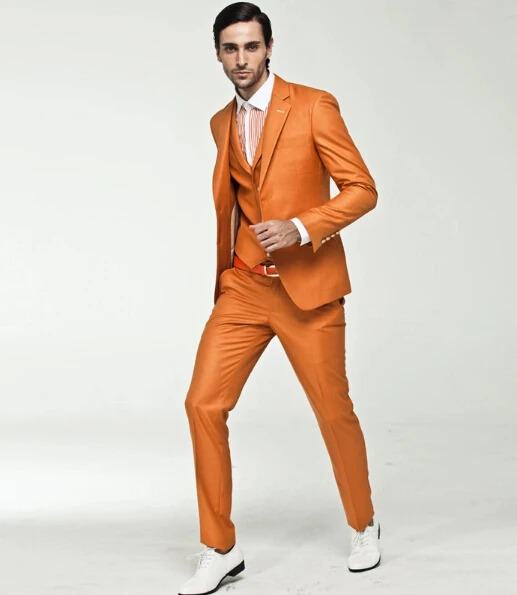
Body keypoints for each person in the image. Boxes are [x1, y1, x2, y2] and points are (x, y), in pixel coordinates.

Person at [179, 3, 381, 593]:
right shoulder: (220, 122)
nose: (241, 59)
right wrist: (227, 275)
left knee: (333, 411)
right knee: (202, 405)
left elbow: (362, 189)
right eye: (230, 48)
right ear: (218, 54)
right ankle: (220, 548)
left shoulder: (314, 105)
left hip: (307, 289)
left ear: (269, 48)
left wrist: (300, 227)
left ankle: (364, 524)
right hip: (244, 286)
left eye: (251, 46)